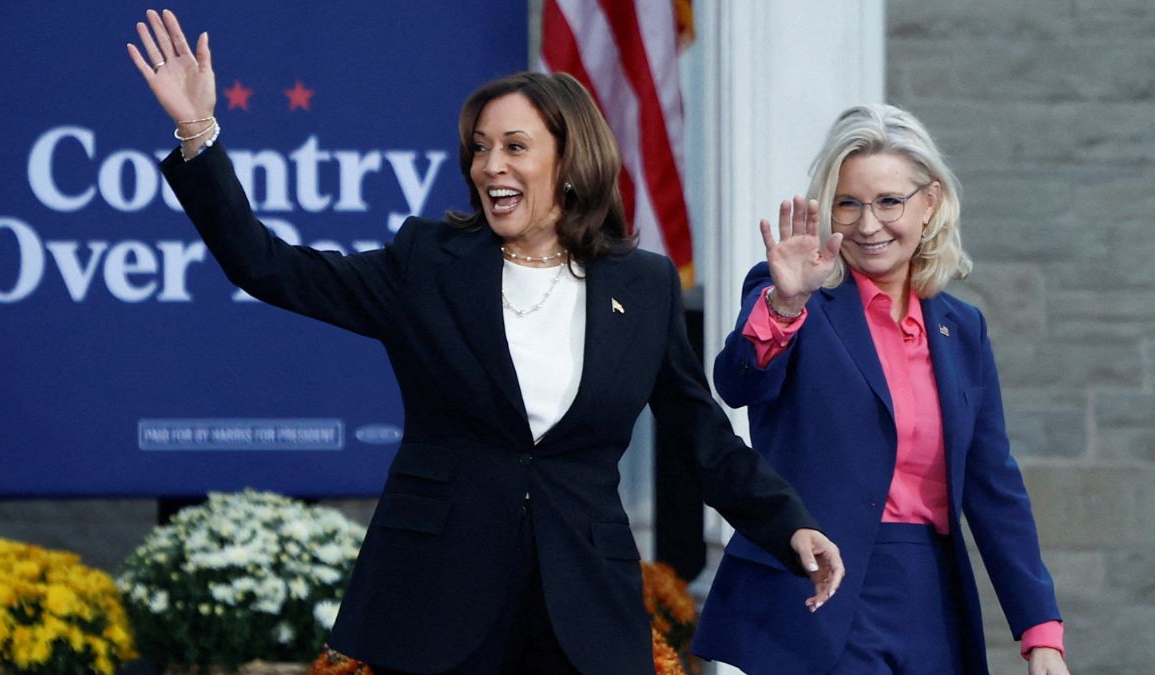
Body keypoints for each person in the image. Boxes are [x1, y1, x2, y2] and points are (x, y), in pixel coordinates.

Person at [126, 9, 844, 675]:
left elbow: (702, 436)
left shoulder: (644, 284)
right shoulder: (427, 263)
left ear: (568, 162)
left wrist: (787, 524)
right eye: (479, 149)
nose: (490, 166)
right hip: (436, 597)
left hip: (582, 609)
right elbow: (268, 265)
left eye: (514, 147)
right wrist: (199, 135)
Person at [691, 103, 1070, 675]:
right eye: (849, 204)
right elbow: (737, 382)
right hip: (820, 591)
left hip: (930, 599)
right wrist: (786, 305)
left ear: (930, 202)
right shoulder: (791, 294)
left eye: (889, 201)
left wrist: (1041, 632)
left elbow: (995, 489)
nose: (868, 225)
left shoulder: (962, 329)